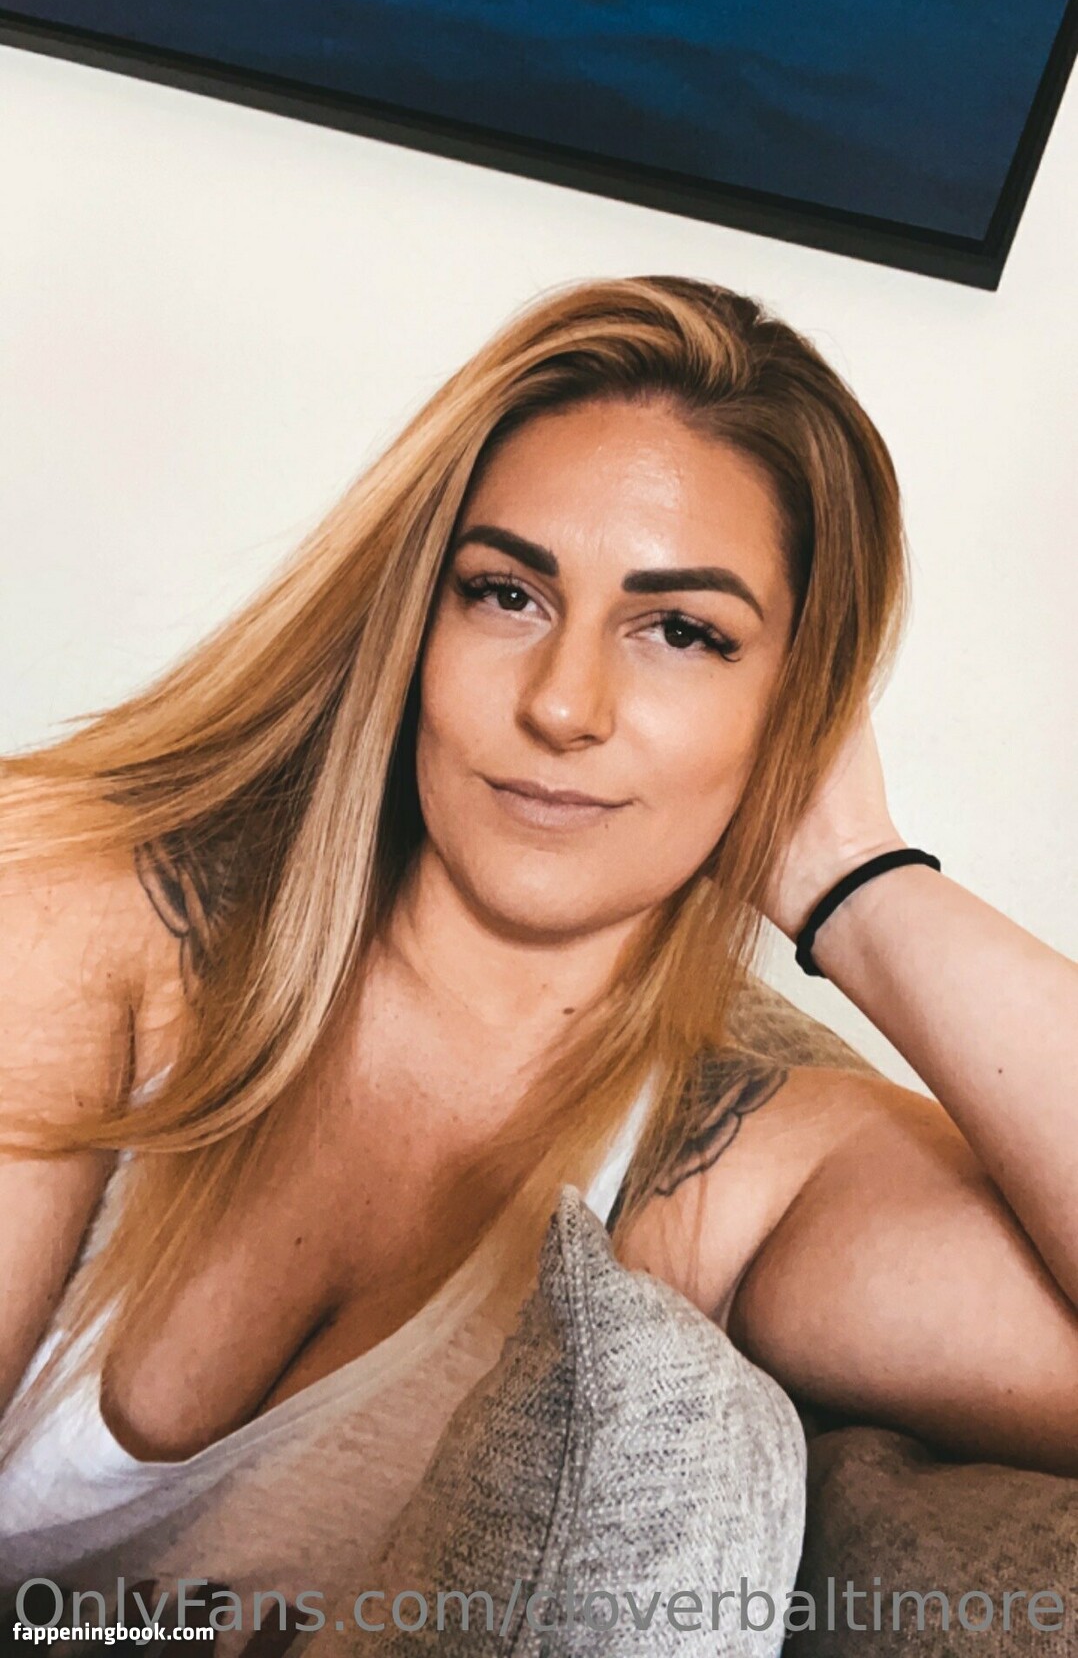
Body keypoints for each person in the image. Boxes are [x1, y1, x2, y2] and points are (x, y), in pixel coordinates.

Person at [0, 275, 1075, 1639]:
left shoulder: (730, 1173)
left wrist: (857, 883)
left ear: (795, 706)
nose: (564, 704)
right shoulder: (79, 912)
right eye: (505, 593)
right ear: (413, 621)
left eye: (682, 632)